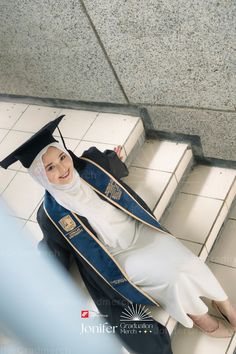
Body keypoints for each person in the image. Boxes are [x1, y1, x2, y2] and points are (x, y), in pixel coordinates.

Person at [1, 116, 236, 346]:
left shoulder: (91, 166)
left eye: (62, 157)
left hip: (140, 229)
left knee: (189, 262)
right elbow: (54, 251)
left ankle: (223, 303)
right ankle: (201, 319)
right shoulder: (51, 214)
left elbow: (112, 162)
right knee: (173, 279)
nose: (63, 168)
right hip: (117, 256)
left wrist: (115, 156)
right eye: (50, 168)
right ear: (40, 176)